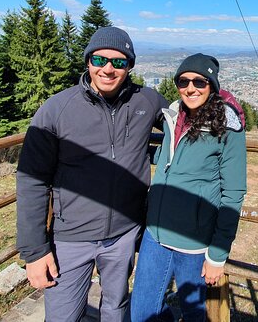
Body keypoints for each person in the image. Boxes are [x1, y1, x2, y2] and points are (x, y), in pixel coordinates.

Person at [16, 26, 168, 322]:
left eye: (119, 62)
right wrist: (34, 252)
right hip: (70, 238)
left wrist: (222, 107)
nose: (108, 69)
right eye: (100, 60)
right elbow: (31, 180)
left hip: (124, 233)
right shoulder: (57, 109)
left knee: (116, 307)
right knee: (62, 315)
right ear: (88, 61)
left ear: (129, 67)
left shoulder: (146, 101)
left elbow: (185, 116)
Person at [130, 53, 247, 322]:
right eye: (183, 81)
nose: (190, 88)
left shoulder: (226, 128)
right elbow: (171, 159)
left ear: (212, 85)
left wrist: (217, 255)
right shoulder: (173, 116)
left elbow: (233, 192)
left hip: (193, 241)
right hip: (156, 233)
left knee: (194, 313)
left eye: (199, 82)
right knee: (141, 312)